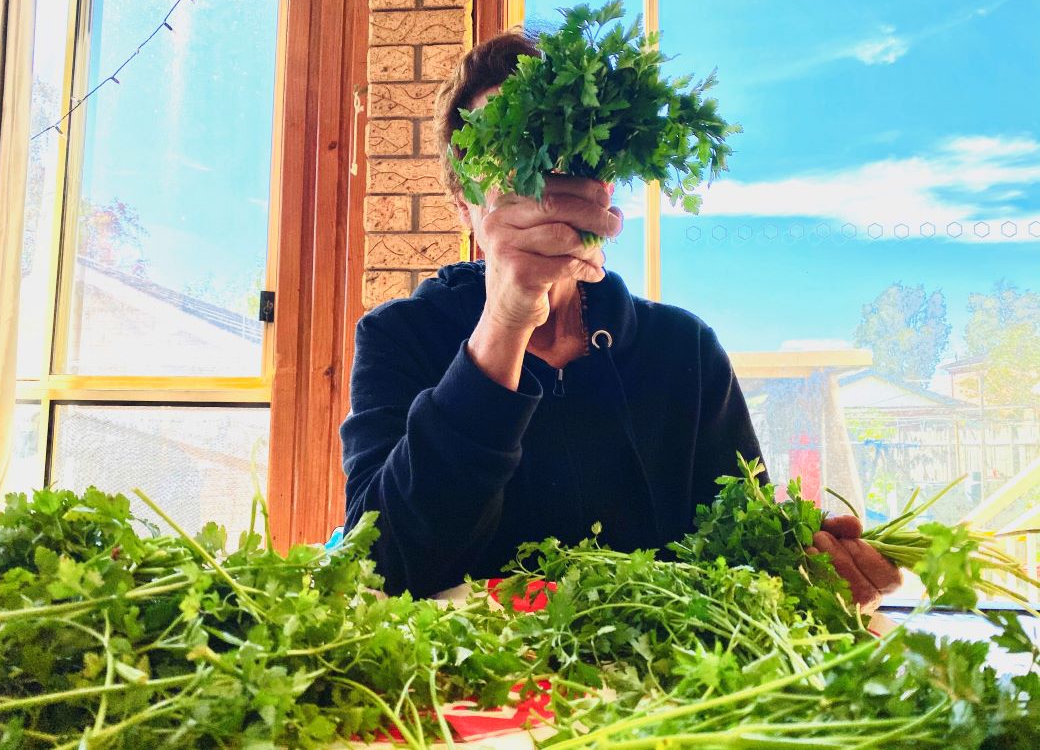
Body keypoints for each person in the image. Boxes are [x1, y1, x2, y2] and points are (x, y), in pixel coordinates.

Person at [341, 31, 901, 607]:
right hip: (467, 689)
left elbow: (739, 557)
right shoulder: (398, 337)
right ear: (464, 204)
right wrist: (506, 320)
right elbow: (379, 568)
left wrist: (804, 567)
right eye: (505, 156)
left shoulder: (683, 349)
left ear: (602, 190)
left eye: (563, 156)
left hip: (659, 691)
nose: (540, 185)